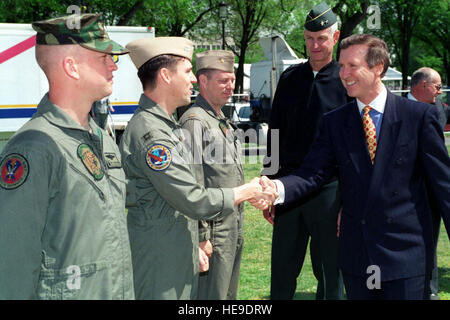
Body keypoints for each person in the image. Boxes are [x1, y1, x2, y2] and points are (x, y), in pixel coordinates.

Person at [259, 34, 450, 300]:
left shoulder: (418, 118)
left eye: (352, 66)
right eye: (342, 65)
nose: (343, 73)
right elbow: (312, 172)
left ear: (378, 67)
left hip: (405, 260)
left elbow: (444, 189)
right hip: (358, 260)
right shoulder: (336, 122)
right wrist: (275, 187)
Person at [119, 37, 275, 300]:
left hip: (177, 246)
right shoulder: (152, 133)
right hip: (162, 256)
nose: (192, 79)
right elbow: (193, 196)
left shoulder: (166, 127)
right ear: (166, 76)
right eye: (188, 71)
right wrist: (247, 191)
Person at [0, 13, 134, 299]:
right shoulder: (34, 148)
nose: (114, 65)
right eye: (103, 57)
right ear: (71, 67)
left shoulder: (101, 139)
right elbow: (12, 263)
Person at [262, 2, 349, 300]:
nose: (315, 45)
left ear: (335, 39)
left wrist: (348, 200)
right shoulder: (289, 79)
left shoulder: (346, 82)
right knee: (282, 272)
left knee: (330, 273)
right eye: (310, 38)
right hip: (287, 187)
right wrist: (268, 185)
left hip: (329, 190)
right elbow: (274, 133)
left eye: (322, 38)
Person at [178, 50, 244, 300]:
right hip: (214, 232)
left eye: (232, 80)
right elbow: (192, 184)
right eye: (223, 81)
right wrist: (202, 236)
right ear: (202, 81)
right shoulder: (195, 122)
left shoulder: (219, 120)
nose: (230, 86)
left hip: (232, 225)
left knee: (228, 296)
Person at [407, 67, 449, 300]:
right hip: (407, 192)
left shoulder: (438, 110)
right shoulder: (394, 108)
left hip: (435, 191)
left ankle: (429, 291)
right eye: (437, 86)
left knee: (431, 241)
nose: (440, 91)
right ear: (423, 85)